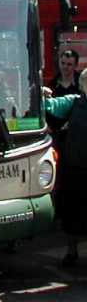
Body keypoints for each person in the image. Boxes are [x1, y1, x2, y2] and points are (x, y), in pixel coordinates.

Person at [43, 68, 87, 267]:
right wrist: (40, 95)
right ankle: (72, 252)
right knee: (72, 215)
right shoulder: (73, 102)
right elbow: (47, 106)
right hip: (75, 169)